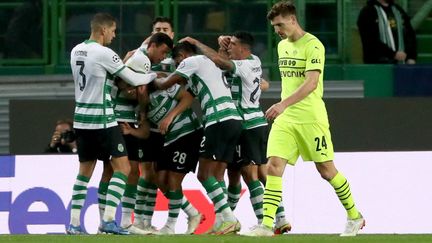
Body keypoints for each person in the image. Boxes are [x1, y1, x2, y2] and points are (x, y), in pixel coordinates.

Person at [243, 1, 365, 237]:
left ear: (292, 19)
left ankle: (354, 216)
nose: (277, 30)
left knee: (327, 171)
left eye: (279, 24)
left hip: (311, 118)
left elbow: (311, 84)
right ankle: (267, 224)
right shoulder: (281, 46)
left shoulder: (313, 45)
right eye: (273, 26)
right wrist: (284, 108)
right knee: (273, 167)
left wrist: (282, 103)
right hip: (286, 119)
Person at [181, 32, 290, 233]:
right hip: (256, 121)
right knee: (243, 173)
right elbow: (263, 83)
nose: (229, 48)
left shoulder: (243, 65)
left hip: (246, 123)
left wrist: (197, 43)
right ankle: (278, 217)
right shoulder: (254, 60)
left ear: (243, 48)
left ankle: (259, 221)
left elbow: (219, 62)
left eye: (233, 45)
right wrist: (225, 41)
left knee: (249, 174)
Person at [66, 12, 157, 235]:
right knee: (124, 168)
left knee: (84, 173)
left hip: (81, 118)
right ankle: (108, 220)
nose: (114, 35)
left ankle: (74, 224)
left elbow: (100, 76)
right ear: (103, 30)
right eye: (113, 30)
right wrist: (155, 76)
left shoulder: (75, 50)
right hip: (103, 120)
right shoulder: (104, 52)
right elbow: (134, 79)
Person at [154, 42, 243, 235]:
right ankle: (222, 221)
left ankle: (229, 218)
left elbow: (167, 83)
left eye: (178, 62)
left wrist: (154, 78)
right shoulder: (206, 68)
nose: (178, 66)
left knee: (204, 174)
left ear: (184, 55)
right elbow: (187, 94)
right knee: (218, 175)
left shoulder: (193, 60)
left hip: (218, 119)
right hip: (233, 120)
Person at [111, 32, 173, 235]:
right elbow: (139, 91)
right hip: (123, 116)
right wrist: (144, 111)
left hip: (121, 114)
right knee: (131, 170)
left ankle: (116, 219)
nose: (163, 57)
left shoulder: (137, 56)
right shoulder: (142, 60)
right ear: (153, 45)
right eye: (162, 52)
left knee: (125, 171)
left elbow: (123, 81)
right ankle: (124, 221)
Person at [357, 0, 417, 64]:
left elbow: (410, 35)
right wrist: (393, 54)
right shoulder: (367, 12)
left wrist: (411, 57)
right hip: (377, 65)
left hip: (400, 65)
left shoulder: (398, 11)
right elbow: (370, 40)